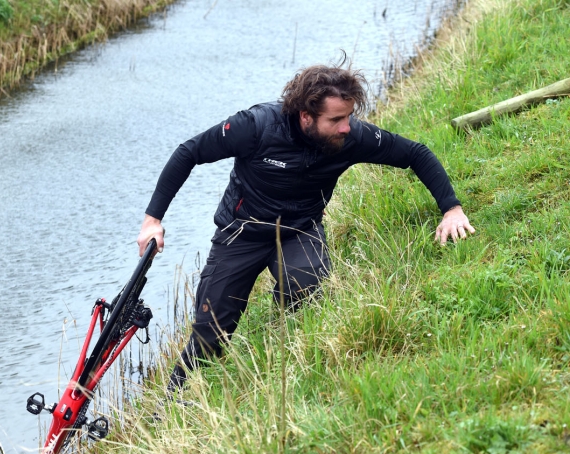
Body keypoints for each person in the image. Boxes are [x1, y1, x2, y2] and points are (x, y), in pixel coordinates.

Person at [136, 60, 475, 393]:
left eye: (349, 116)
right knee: (211, 332)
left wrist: (452, 209)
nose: (347, 126)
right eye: (337, 119)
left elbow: (416, 154)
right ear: (306, 116)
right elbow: (188, 153)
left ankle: (283, 351)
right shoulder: (254, 127)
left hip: (301, 229)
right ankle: (172, 402)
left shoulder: (352, 138)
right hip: (242, 232)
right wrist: (153, 220)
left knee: (305, 290)